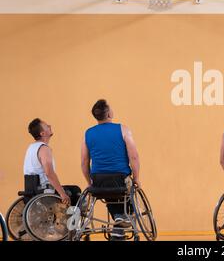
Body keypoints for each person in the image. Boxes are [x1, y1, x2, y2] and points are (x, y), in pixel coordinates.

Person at [81, 99, 141, 241]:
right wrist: (137, 178)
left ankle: (119, 223)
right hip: (119, 178)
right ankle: (119, 224)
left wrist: (89, 182)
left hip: (98, 180)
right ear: (108, 113)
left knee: (109, 193)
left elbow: (84, 162)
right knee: (128, 190)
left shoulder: (88, 133)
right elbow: (134, 157)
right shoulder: (123, 129)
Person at [24, 119, 72, 205]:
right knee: (75, 191)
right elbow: (49, 173)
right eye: (46, 126)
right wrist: (62, 193)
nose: (50, 126)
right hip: (43, 190)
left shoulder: (31, 147)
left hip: (31, 189)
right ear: (42, 133)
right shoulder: (44, 149)